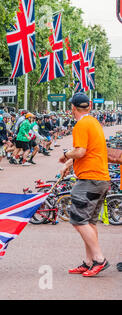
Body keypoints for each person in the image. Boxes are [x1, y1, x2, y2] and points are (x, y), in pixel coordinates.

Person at [59, 92, 111, 277]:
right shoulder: (94, 122)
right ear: (89, 107)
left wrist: (65, 155)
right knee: (89, 221)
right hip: (101, 178)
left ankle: (99, 259)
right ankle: (89, 262)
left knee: (78, 220)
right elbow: (90, 151)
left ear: (72, 108)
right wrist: (68, 163)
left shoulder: (81, 124)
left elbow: (80, 151)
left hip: (89, 179)